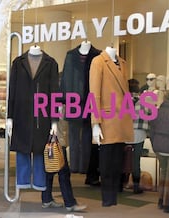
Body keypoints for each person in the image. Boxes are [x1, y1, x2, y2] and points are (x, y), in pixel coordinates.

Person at [7, 45, 59, 191]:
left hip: (42, 113)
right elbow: (12, 90)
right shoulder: (18, 63)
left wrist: (54, 120)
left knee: (39, 149)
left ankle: (39, 182)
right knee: (22, 148)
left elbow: (55, 92)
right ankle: (22, 180)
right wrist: (10, 116)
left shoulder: (50, 63)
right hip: (21, 112)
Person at [89, 46, 134, 207]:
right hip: (107, 118)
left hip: (121, 117)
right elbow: (94, 94)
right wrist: (95, 123)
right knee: (107, 162)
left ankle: (113, 197)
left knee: (117, 162)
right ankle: (107, 198)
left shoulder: (123, 62)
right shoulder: (98, 61)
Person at [41, 75, 88, 212]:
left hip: (51, 141)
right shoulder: (58, 101)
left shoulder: (50, 99)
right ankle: (70, 203)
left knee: (49, 171)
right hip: (56, 141)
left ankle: (47, 199)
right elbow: (60, 124)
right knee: (63, 172)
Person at [60, 40, 102, 186]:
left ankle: (84, 167)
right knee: (73, 135)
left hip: (91, 100)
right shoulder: (70, 55)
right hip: (73, 100)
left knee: (86, 136)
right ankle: (74, 166)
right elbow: (65, 78)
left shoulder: (98, 55)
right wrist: (63, 99)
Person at [123, 79, 150, 194]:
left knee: (123, 159)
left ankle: (121, 184)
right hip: (139, 133)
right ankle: (135, 186)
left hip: (124, 132)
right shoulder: (144, 101)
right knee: (136, 160)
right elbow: (149, 115)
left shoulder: (122, 100)